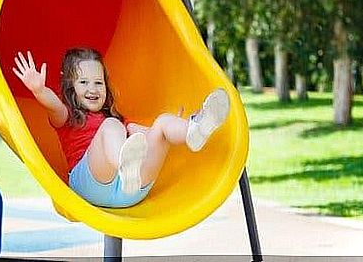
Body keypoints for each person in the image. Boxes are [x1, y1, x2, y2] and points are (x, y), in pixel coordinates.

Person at [13, 47, 230, 208]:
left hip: (132, 191)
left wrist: (169, 129)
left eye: (99, 83)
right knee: (111, 126)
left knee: (160, 123)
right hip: (90, 185)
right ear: (70, 86)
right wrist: (39, 90)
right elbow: (53, 106)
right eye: (83, 82)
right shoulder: (68, 116)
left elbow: (146, 137)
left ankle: (193, 130)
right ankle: (125, 167)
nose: (93, 89)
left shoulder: (117, 122)